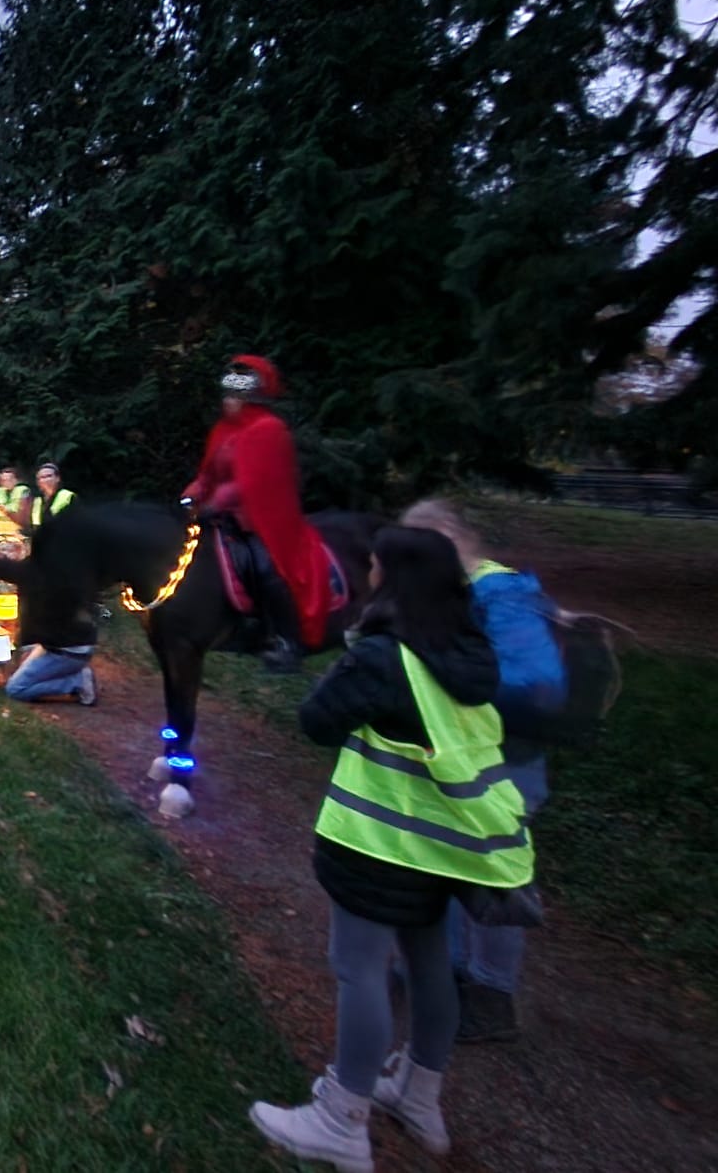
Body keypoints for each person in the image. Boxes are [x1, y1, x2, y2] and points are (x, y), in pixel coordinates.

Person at [248, 526, 531, 1172]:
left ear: (394, 579)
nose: (367, 575)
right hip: (446, 847)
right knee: (428, 965)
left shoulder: (385, 655)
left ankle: (341, 1120)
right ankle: (418, 1096)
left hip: (382, 844)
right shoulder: (468, 649)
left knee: (360, 969)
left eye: (373, 566)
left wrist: (352, 657)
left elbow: (317, 721)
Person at [402, 499, 563, 1046]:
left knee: (492, 877)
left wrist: (443, 676)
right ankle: (444, 973)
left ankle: (493, 996)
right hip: (468, 759)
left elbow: (538, 680)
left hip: (507, 765)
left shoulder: (503, 593)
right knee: (447, 861)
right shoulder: (461, 590)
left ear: (449, 536)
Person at [182, 355, 329, 673]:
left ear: (252, 399)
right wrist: (188, 498)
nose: (228, 401)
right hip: (223, 515)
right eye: (227, 395)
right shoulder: (223, 431)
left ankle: (288, 642)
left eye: (236, 396)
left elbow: (253, 483)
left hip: (262, 519)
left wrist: (214, 504)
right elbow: (207, 475)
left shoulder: (269, 429)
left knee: (266, 569)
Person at [0, 531, 98, 705]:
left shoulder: (36, 572)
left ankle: (76, 681)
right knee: (27, 662)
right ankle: (70, 673)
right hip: (70, 644)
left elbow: (0, 567)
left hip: (65, 650)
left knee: (16, 689)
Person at [0, 467, 30, 551]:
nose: (5, 483)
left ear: (16, 480)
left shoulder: (23, 492)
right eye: (2, 480)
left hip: (15, 538)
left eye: (9, 480)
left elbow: (23, 521)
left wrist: (4, 510)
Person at [30, 462, 75, 528]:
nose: (46, 480)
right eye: (42, 477)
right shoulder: (38, 501)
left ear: (58, 478)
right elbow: (36, 526)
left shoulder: (68, 496)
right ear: (38, 482)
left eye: (49, 476)